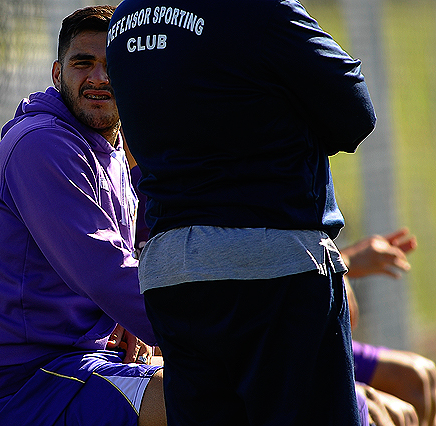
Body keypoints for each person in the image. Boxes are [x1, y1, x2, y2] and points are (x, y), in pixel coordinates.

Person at [106, 1, 377, 425]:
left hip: (170, 272)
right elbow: (356, 114)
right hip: (274, 262)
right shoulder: (259, 8)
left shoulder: (124, 22)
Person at [0, 6, 166, 426]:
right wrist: (205, 335)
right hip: (31, 383)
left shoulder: (108, 150)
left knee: (222, 381)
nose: (99, 77)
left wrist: (128, 324)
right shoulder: (41, 145)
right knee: (211, 395)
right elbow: (104, 271)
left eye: (112, 65)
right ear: (57, 74)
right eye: (82, 63)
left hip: (81, 361)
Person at [342, 229, 436, 426]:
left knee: (417, 377)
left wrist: (344, 260)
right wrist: (345, 262)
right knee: (387, 413)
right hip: (284, 349)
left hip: (315, 339)